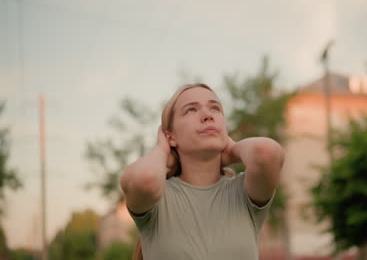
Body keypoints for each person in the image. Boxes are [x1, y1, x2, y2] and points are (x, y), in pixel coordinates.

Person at [120, 83, 284, 260]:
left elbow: (267, 153)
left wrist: (232, 150)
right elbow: (145, 179)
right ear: (170, 136)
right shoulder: (158, 200)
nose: (207, 115)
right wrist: (162, 150)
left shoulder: (243, 194)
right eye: (191, 110)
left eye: (215, 108)